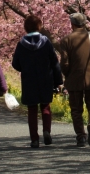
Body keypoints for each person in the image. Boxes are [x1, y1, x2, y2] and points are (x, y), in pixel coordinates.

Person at [12, 15, 63, 148]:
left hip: (29, 80)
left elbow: (15, 63)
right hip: (45, 79)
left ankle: (34, 139)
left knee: (32, 109)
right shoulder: (46, 42)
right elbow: (54, 63)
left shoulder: (21, 43)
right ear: (39, 26)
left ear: (26, 27)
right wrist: (59, 81)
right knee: (45, 107)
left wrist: (25, 68)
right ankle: (46, 130)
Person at [59, 12, 90, 147]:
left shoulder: (66, 40)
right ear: (84, 23)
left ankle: (81, 136)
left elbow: (64, 63)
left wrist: (67, 74)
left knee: (76, 109)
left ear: (72, 24)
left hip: (74, 79)